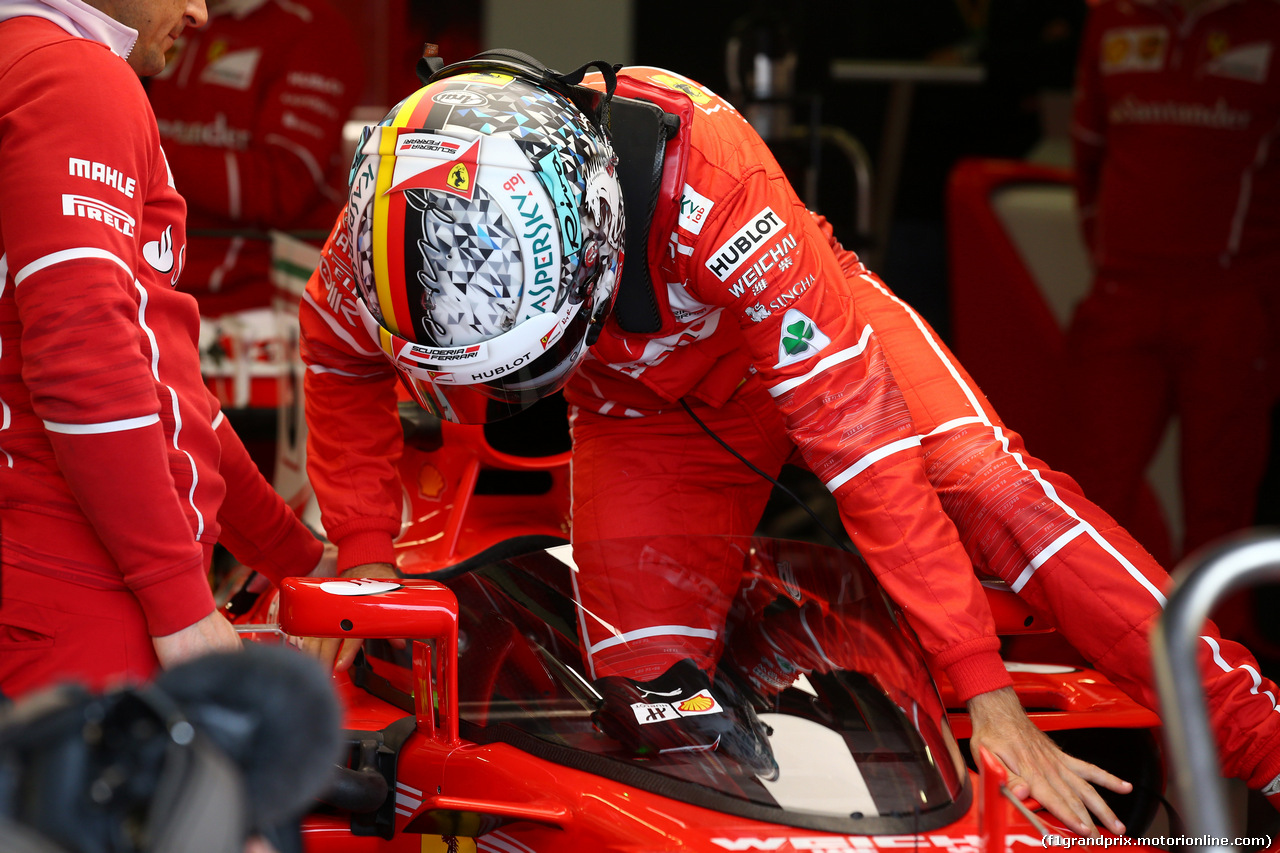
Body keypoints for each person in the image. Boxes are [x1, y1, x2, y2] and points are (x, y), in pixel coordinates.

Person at [297, 50, 1280, 837]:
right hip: (644, 420)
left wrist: (984, 691)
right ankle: (832, 676)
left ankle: (1265, 741)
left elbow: (866, 454)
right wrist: (368, 563)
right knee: (647, 705)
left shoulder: (707, 175)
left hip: (801, 341)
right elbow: (337, 357)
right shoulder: (388, 225)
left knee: (993, 495)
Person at [0, 0, 338, 700]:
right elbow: (82, 355)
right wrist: (181, 603)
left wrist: (293, 555)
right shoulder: (73, 75)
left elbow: (171, 398)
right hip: (80, 597)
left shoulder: (23, 61)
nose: (199, 10)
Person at [1065, 0, 1279, 562]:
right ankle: (1077, 648)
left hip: (1231, 304)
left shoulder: (1269, 26)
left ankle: (1218, 649)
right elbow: (1088, 154)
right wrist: (1116, 261)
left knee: (1220, 516)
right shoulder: (1114, 17)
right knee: (1086, 503)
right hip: (1122, 296)